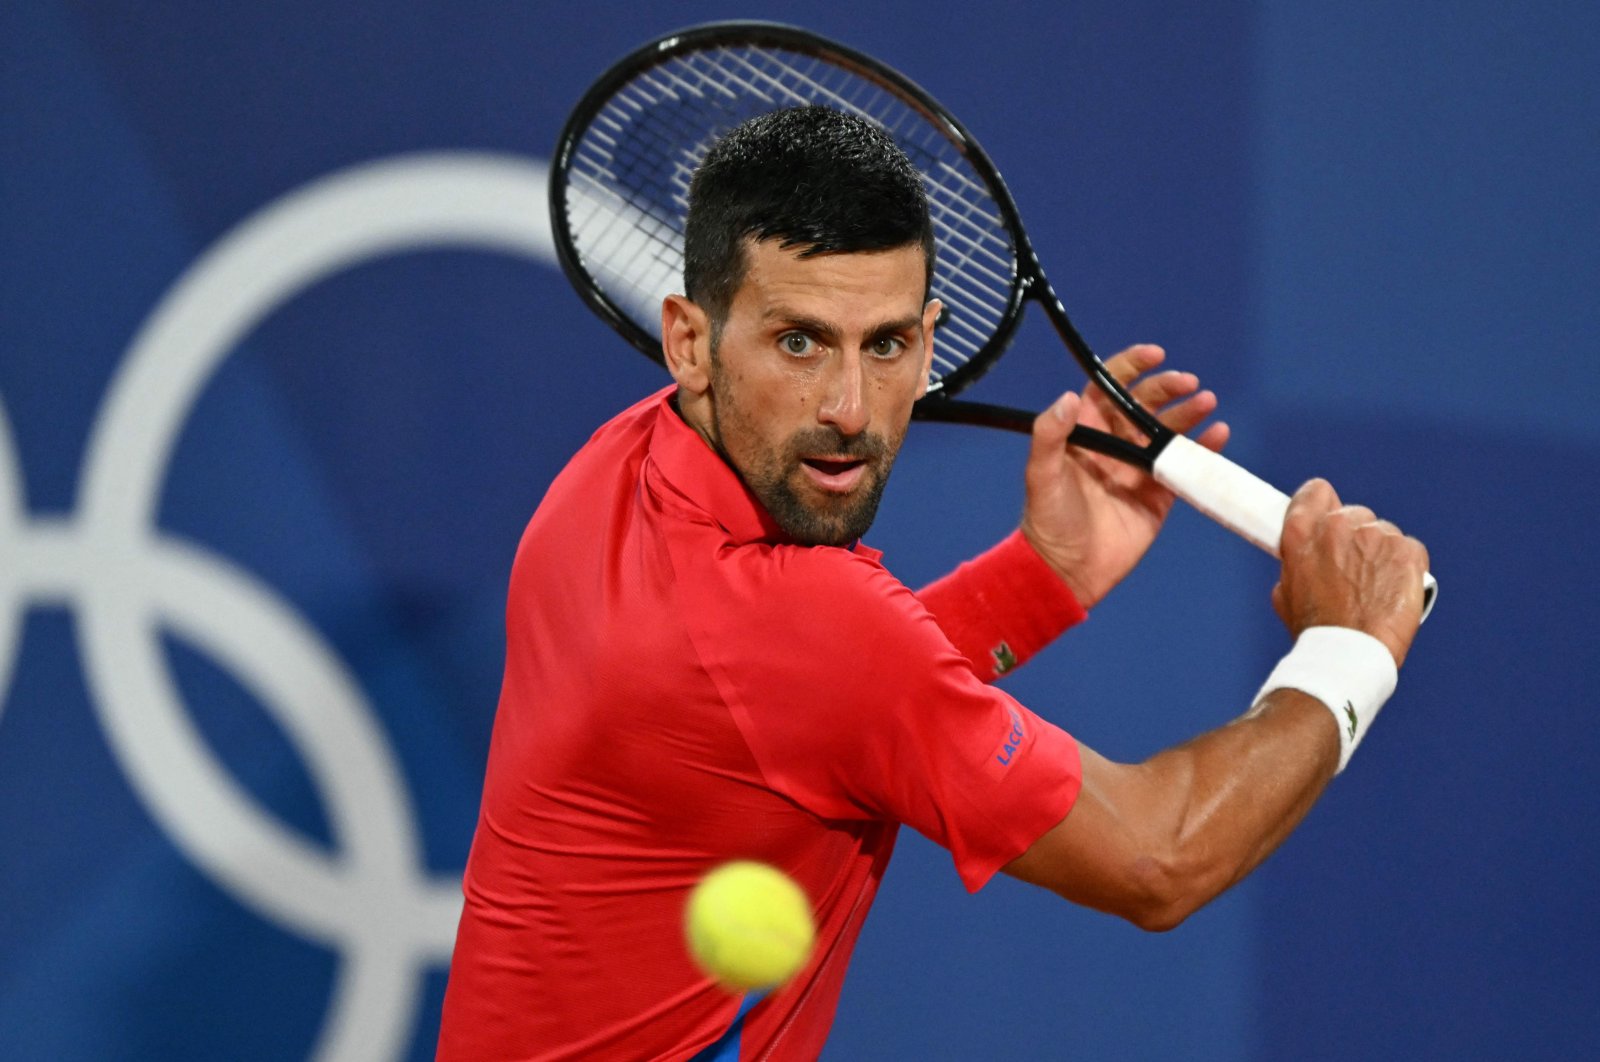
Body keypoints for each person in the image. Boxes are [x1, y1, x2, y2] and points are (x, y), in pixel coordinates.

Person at [436, 106, 1429, 1060]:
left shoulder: (616, 467)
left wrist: (1046, 576)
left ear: (931, 333)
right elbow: (1158, 859)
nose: (850, 408)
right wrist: (1347, 647)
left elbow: (804, 709)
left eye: (888, 343)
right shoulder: (795, 624)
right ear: (692, 340)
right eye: (799, 341)